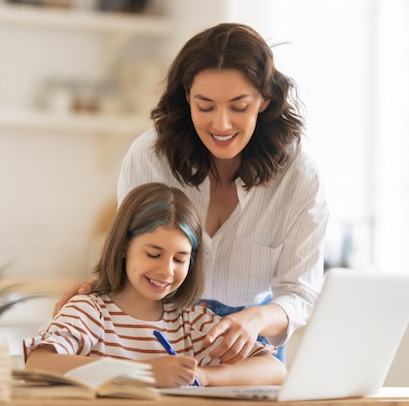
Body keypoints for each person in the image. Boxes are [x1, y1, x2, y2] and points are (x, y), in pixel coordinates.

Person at [55, 22, 329, 365]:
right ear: (187, 98)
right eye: (205, 106)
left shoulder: (299, 177)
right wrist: (100, 288)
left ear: (264, 99)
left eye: (238, 107)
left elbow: (301, 292)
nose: (222, 124)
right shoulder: (149, 158)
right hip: (164, 326)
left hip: (250, 339)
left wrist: (254, 319)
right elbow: (132, 249)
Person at [25, 183, 286, 387]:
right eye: (153, 254)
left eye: (180, 259)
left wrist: (204, 376)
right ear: (125, 246)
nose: (166, 270)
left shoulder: (190, 321)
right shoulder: (91, 312)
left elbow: (274, 369)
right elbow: (38, 363)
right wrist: (144, 372)